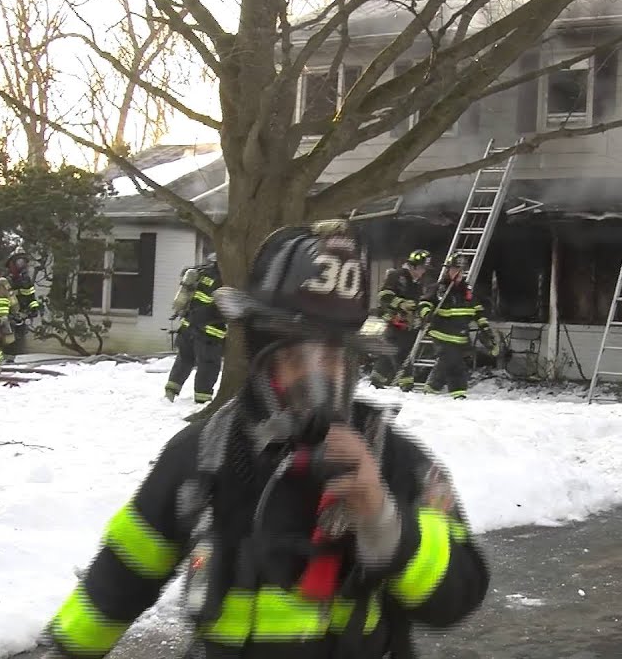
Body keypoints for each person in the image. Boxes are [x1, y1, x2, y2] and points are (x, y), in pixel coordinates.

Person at [41, 221, 489, 659]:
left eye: (334, 356)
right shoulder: (204, 455)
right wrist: (65, 649)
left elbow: (458, 597)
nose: (319, 377)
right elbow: (122, 574)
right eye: (296, 354)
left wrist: (385, 524)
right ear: (261, 355)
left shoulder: (393, 460)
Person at [417, 255, 495, 400]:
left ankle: (444, 391)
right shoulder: (439, 288)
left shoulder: (467, 292)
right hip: (441, 334)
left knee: (453, 363)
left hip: (460, 336)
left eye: (462, 270)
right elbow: (423, 303)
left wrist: (485, 329)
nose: (459, 273)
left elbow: (478, 311)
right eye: (455, 269)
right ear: (448, 270)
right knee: (452, 361)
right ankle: (445, 391)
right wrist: (427, 313)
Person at [165, 252, 226, 404]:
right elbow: (222, 307)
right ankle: (202, 400)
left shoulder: (202, 272)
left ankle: (171, 391)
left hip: (187, 325)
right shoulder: (225, 278)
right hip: (209, 331)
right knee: (208, 364)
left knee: (184, 359)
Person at [369, 249, 431, 391]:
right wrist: (400, 303)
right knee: (400, 353)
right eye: (422, 268)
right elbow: (383, 295)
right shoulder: (397, 276)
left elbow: (418, 302)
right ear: (413, 266)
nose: (423, 272)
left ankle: (376, 380)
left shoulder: (417, 283)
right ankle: (406, 385)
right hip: (393, 322)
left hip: (406, 324)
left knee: (389, 353)